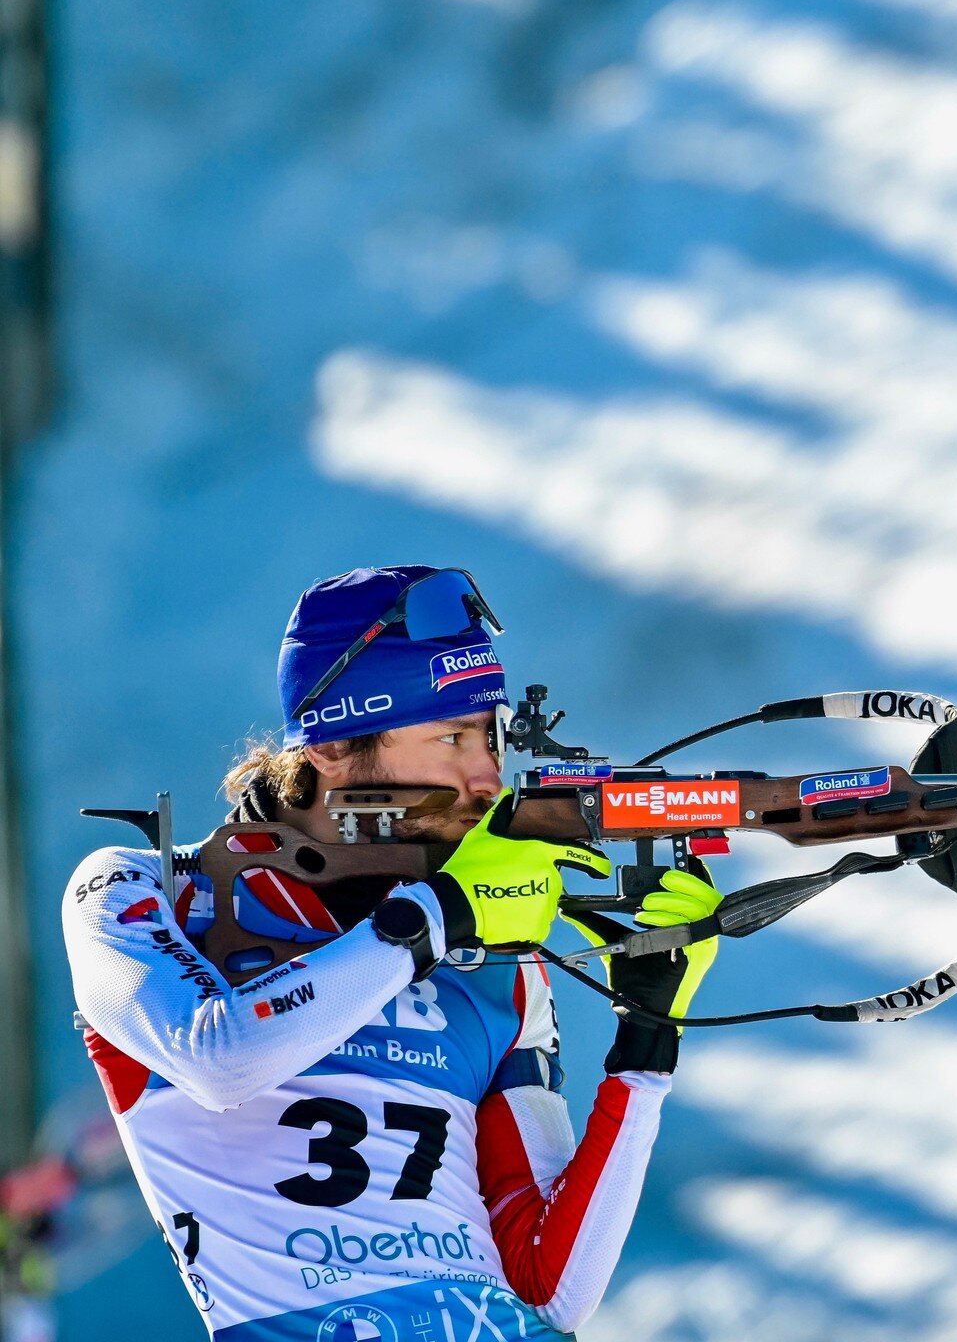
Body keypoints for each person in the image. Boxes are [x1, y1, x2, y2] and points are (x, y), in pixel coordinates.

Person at [62, 566, 722, 1342]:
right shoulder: (141, 891)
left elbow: (549, 1290)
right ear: (335, 748)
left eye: (492, 736)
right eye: (451, 737)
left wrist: (646, 1043)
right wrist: (435, 917)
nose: (487, 777)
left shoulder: (492, 955)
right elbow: (217, 1059)